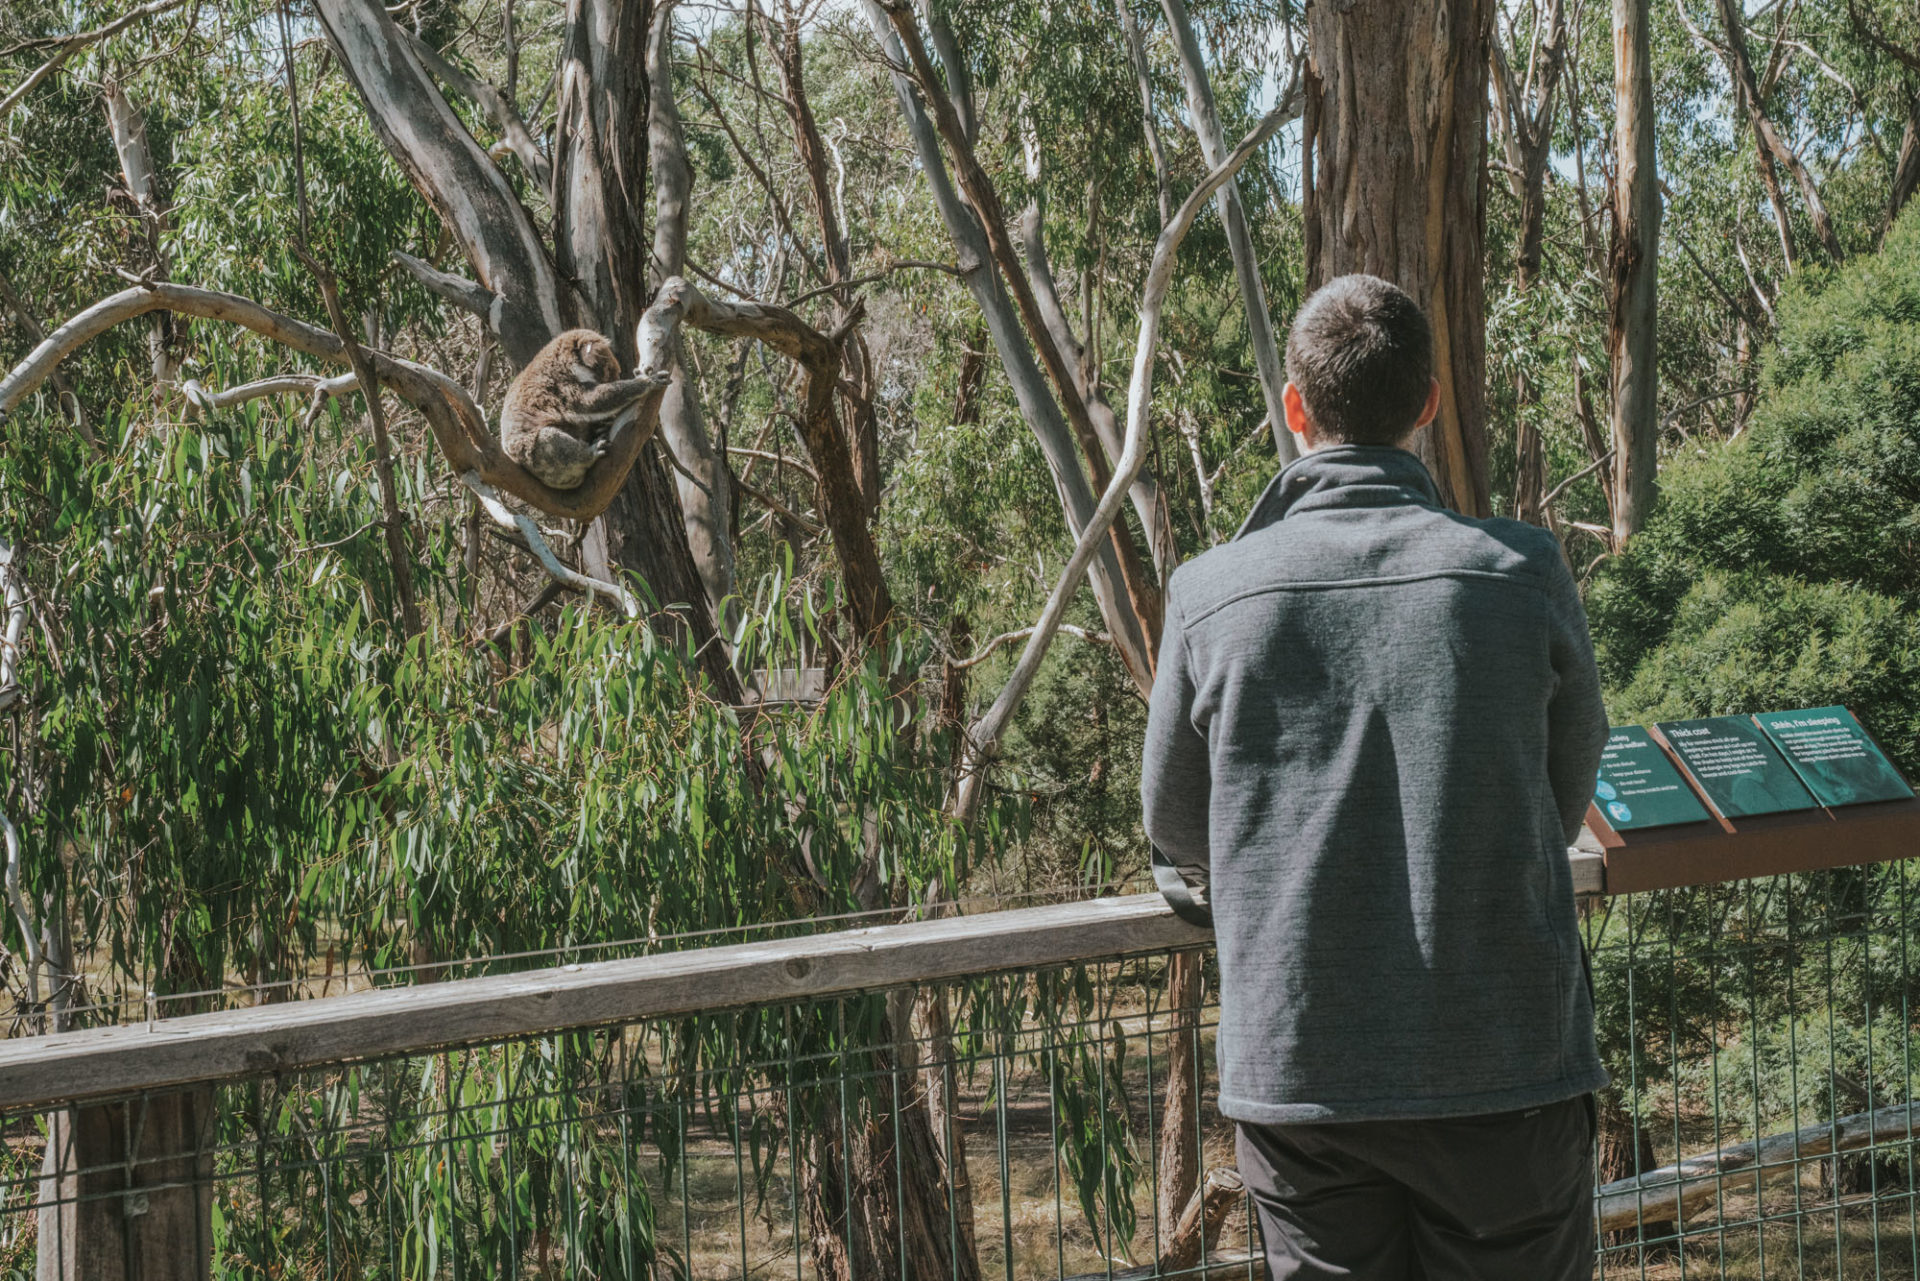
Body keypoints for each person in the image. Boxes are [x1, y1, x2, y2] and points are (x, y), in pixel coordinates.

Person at [1140, 274, 1609, 1280]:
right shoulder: (1523, 572)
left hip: (1303, 1077)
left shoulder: (1209, 592)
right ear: (1430, 402)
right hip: (1507, 1066)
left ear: (1294, 407)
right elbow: (1566, 779)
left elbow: (1176, 819)